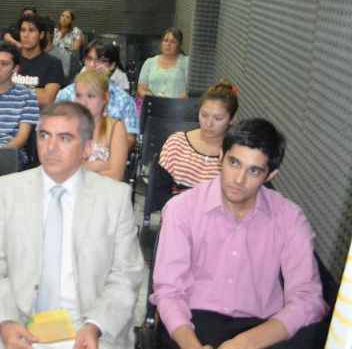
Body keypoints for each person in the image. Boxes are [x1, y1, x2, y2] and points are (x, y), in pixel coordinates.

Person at [0, 102, 144, 349]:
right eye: (44, 136)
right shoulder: (8, 189)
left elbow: (126, 275)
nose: (51, 147)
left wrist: (95, 325)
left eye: (65, 138)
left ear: (86, 148)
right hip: (16, 321)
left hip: (86, 326)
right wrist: (5, 322)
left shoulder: (113, 198)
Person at [151, 118, 329, 349]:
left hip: (260, 327)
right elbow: (170, 293)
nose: (239, 179)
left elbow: (308, 298)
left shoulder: (290, 218)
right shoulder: (182, 209)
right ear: (220, 157)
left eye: (254, 170)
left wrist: (247, 343)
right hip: (194, 321)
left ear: (271, 174)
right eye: (234, 163)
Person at [152, 79, 238, 202]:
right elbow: (159, 193)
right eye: (204, 115)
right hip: (175, 214)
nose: (208, 124)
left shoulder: (237, 155)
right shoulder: (176, 143)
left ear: (232, 118)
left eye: (218, 118)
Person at [56, 38, 139, 147]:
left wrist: (102, 154)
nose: (92, 65)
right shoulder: (66, 94)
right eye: (89, 59)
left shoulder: (125, 100)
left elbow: (129, 139)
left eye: (101, 60)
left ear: (113, 65)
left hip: (107, 158)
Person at [74, 70, 129, 182]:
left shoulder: (116, 128)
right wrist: (99, 165)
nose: (83, 103)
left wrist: (83, 168)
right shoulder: (68, 126)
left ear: (105, 98)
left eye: (90, 96)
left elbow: (116, 176)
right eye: (78, 95)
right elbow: (63, 170)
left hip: (105, 194)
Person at [12, 14, 65, 107]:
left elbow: (46, 100)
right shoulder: (11, 59)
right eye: (23, 30)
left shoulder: (53, 63)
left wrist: (13, 90)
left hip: (37, 118)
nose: (26, 35)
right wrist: (36, 90)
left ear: (41, 34)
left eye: (31, 30)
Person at [137, 28, 189, 99]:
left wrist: (172, 104)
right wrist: (154, 100)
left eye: (173, 42)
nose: (168, 44)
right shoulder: (149, 62)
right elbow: (141, 89)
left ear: (179, 45)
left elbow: (190, 91)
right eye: (165, 40)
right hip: (153, 106)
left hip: (178, 107)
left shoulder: (186, 62)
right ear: (161, 43)